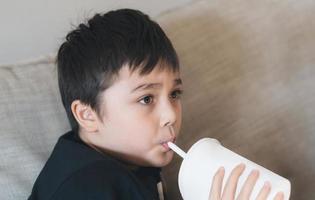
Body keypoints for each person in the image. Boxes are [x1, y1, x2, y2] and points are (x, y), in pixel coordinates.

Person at [28, 8, 284, 200]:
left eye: (175, 94)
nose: (170, 114)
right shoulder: (84, 186)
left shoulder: (135, 162)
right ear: (87, 115)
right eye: (146, 99)